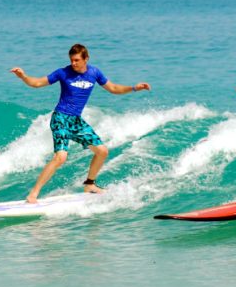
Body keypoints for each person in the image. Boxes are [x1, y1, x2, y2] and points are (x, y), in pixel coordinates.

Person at [11, 43, 151, 203]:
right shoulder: (63, 73)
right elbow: (37, 83)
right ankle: (33, 194)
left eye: (77, 60)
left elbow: (113, 88)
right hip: (61, 118)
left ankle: (90, 184)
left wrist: (134, 88)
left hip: (76, 121)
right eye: (72, 60)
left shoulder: (94, 72)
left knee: (102, 151)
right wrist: (23, 76)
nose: (73, 63)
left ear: (86, 59)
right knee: (61, 157)